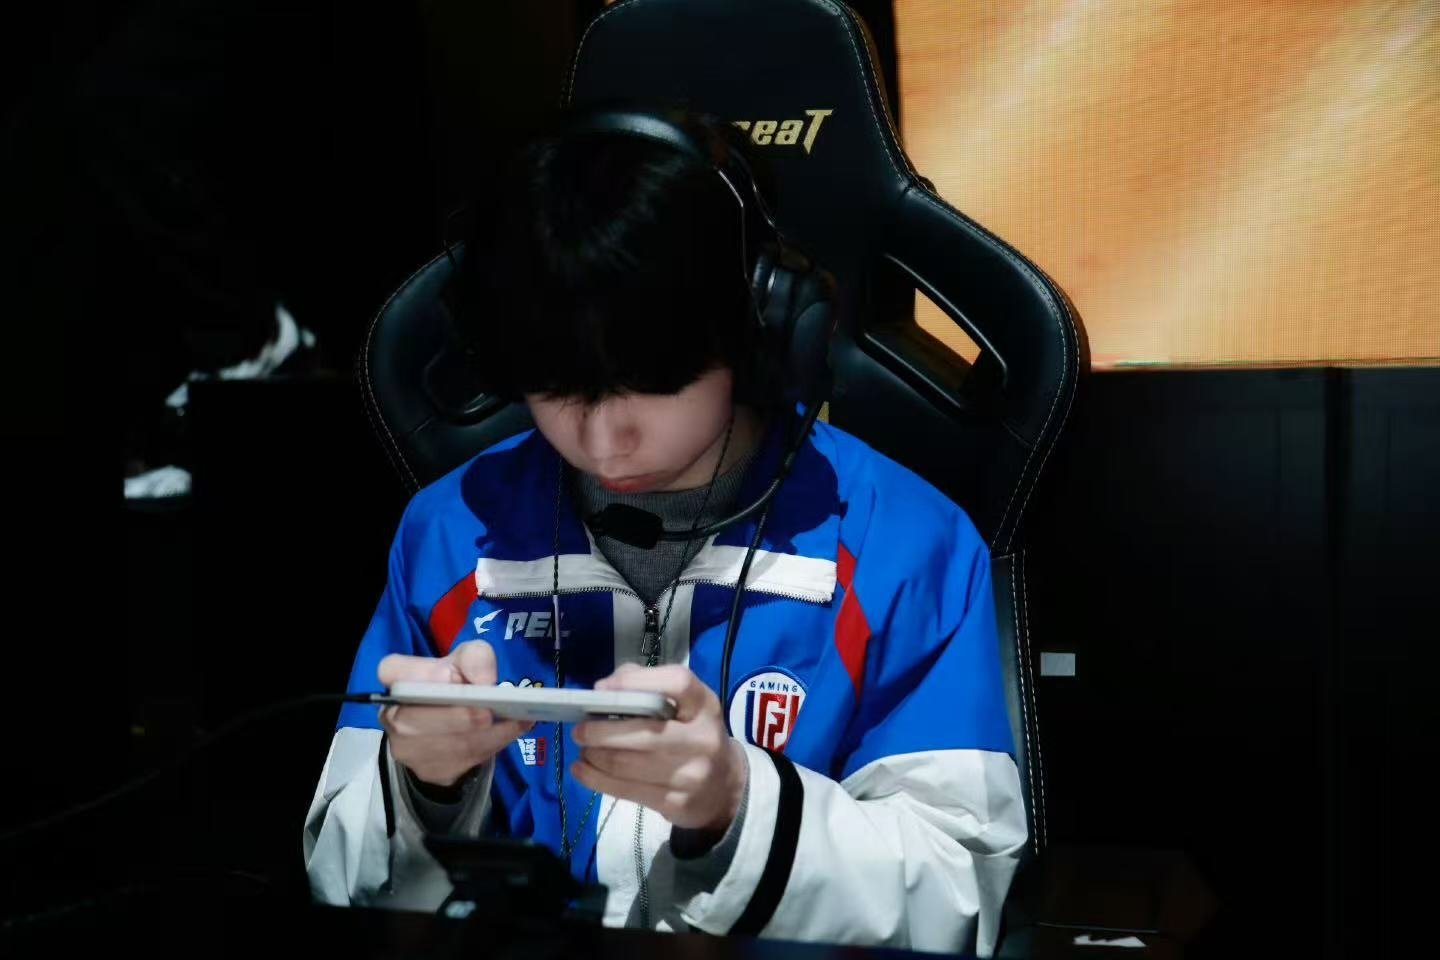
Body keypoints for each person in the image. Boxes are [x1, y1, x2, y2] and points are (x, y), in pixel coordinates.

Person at [303, 106, 1025, 956]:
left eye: (649, 383)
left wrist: (735, 804)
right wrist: (423, 784)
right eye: (556, 388)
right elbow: (339, 884)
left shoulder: (903, 547)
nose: (603, 440)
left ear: (757, 331)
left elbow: (963, 898)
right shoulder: (452, 535)